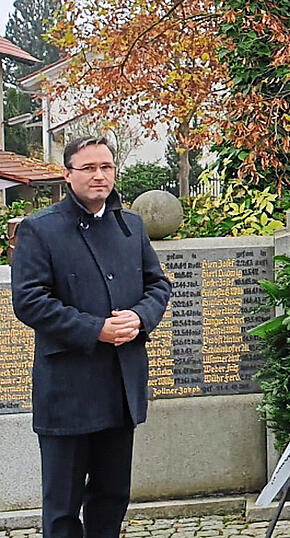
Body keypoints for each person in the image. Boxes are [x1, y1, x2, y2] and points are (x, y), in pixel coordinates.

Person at [12, 136, 171, 538]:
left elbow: (158, 285)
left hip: (120, 387)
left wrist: (139, 317)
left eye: (107, 167)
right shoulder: (39, 230)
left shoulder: (130, 225)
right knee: (63, 510)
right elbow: (29, 302)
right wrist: (95, 328)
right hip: (68, 391)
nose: (100, 176)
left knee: (111, 498)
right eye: (88, 168)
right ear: (67, 175)